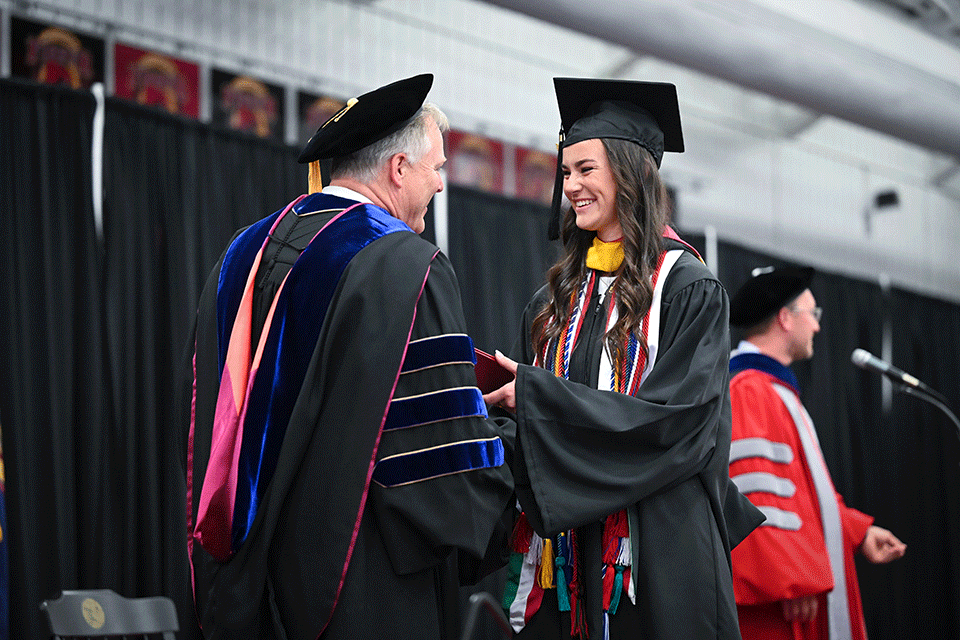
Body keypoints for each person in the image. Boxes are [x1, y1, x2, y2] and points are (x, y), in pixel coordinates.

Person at [184, 74, 514, 640]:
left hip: (240, 586)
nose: (440, 184)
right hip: (360, 589)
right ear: (398, 169)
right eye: (435, 168)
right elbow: (436, 476)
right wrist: (512, 437)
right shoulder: (407, 268)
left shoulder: (239, 257)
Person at [484, 77, 763, 639]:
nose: (571, 187)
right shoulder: (554, 302)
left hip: (657, 556)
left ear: (630, 172)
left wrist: (538, 399)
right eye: (566, 173)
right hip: (564, 564)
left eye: (586, 170)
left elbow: (677, 425)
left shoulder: (687, 288)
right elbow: (534, 438)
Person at [726, 266, 907, 640]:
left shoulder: (775, 391)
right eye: (813, 314)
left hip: (797, 587)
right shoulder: (748, 390)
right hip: (783, 599)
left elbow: (802, 494)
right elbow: (758, 494)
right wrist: (791, 579)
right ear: (785, 319)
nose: (819, 327)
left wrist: (857, 531)